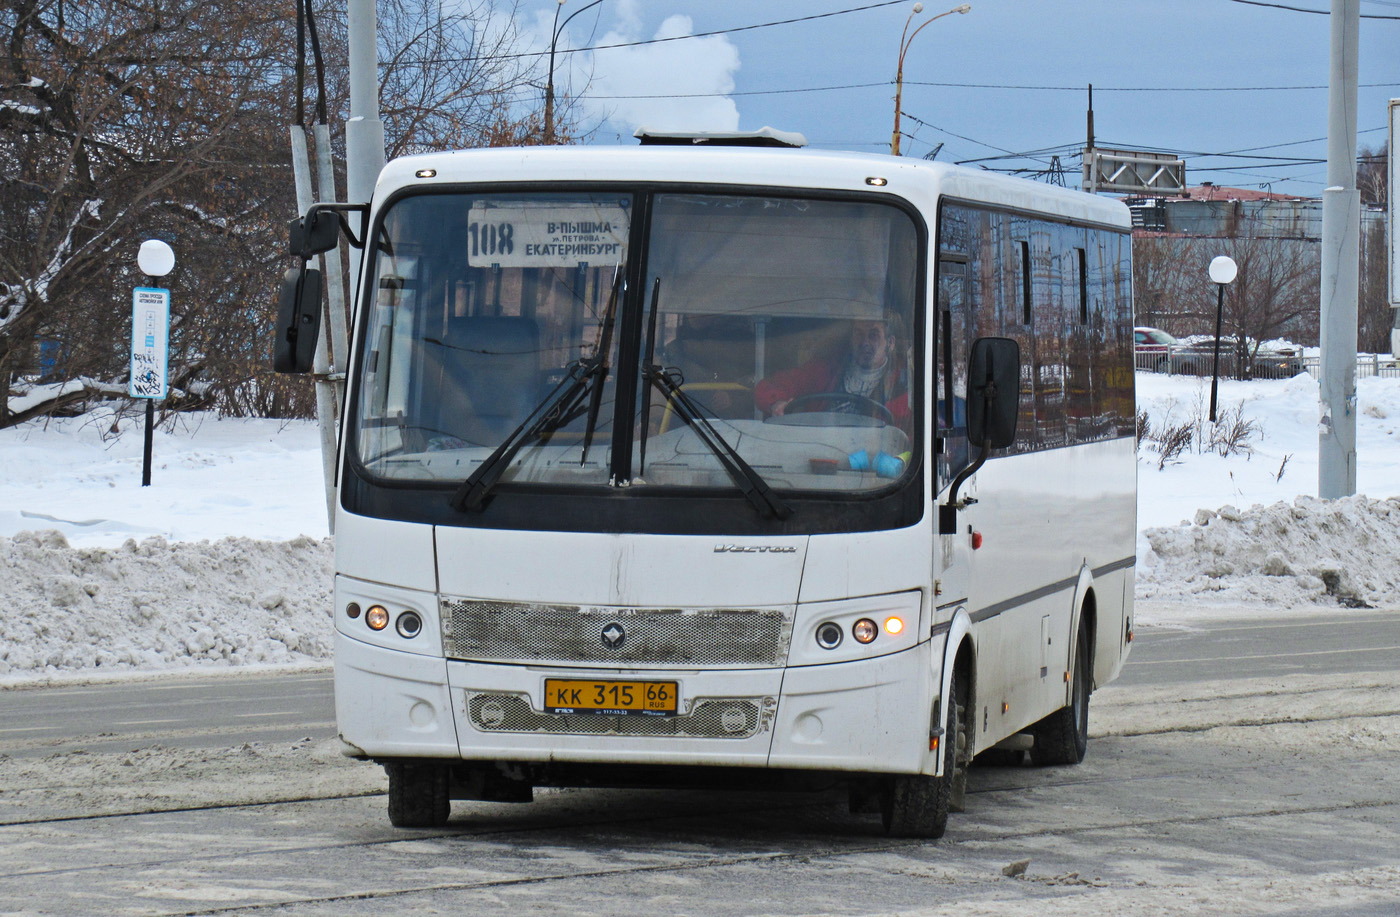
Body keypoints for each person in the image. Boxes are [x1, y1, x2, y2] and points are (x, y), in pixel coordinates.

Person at [754, 317, 910, 429]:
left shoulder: (903, 386)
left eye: (873, 335)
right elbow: (767, 387)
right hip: (818, 453)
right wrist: (776, 402)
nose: (865, 342)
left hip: (870, 465)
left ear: (890, 343)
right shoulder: (825, 369)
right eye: (859, 334)